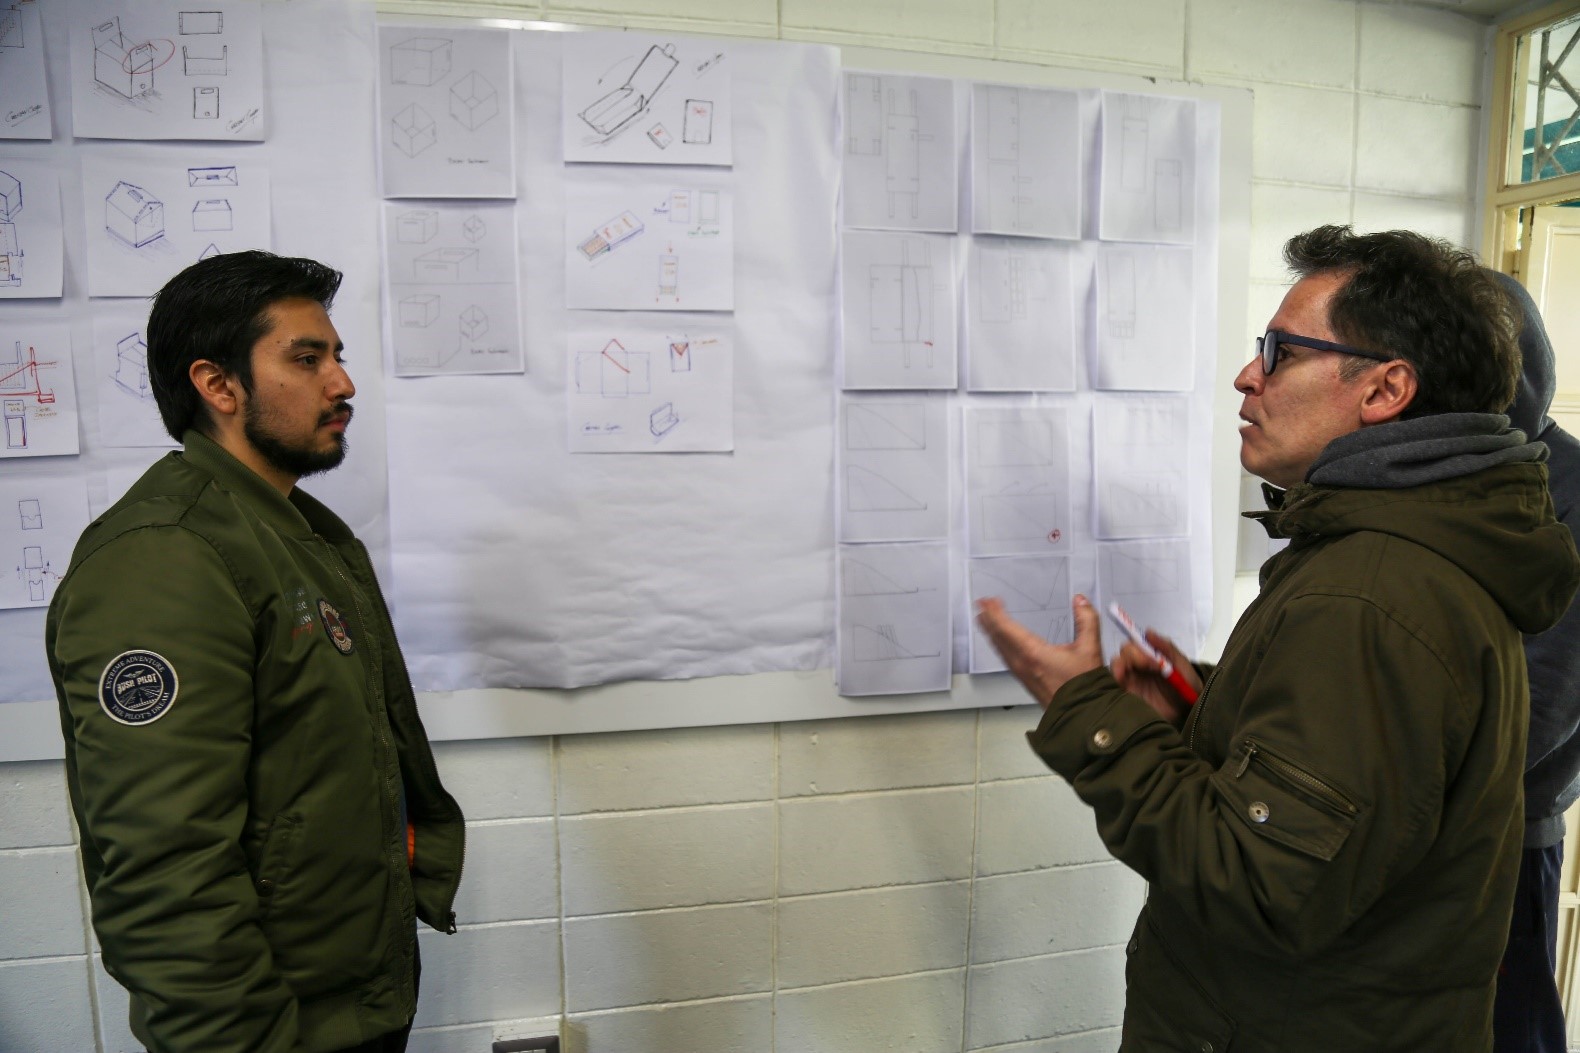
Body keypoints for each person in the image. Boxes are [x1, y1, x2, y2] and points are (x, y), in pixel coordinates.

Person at [977, 226, 1580, 1050]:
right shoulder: (1391, 554)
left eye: (1280, 352)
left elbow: (1258, 887)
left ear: (1386, 390)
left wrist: (1092, 717)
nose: (1247, 375)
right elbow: (1361, 783)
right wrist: (1198, 705)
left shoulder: (1370, 595)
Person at [47, 251, 465, 1053]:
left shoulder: (298, 537)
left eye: (336, 355)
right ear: (218, 385)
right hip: (271, 1028)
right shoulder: (168, 556)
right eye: (307, 359)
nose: (342, 383)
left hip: (348, 1003)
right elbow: (166, 867)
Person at [1490, 271, 1580, 1053]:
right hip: (1434, 825)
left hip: (1507, 833)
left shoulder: (1569, 487)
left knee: (1511, 1029)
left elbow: (1542, 704)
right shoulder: (1470, 476)